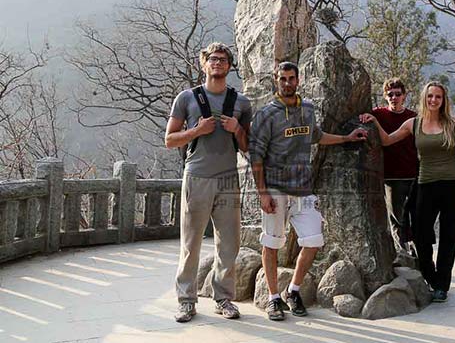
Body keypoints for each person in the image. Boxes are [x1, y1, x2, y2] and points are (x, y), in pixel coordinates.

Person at [250, 61, 367, 321]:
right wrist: (262, 193)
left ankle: (293, 291)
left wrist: (347, 138)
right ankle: (273, 298)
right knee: (271, 243)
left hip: (303, 189)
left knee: (314, 240)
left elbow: (316, 135)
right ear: (276, 80)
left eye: (292, 78)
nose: (288, 83)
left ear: (298, 80)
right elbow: (255, 157)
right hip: (275, 188)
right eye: (283, 79)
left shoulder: (308, 108)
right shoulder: (266, 114)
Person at [360, 81, 455, 303]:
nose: (433, 100)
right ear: (424, 98)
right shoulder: (413, 124)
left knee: (449, 237)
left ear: (443, 100)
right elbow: (387, 140)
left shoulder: (454, 125)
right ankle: (430, 276)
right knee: (420, 234)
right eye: (430, 96)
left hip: (452, 184)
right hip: (425, 184)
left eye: (438, 97)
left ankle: (441, 286)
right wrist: (373, 121)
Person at [165, 42, 252, 322]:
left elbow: (249, 146)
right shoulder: (187, 98)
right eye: (212, 59)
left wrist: (237, 128)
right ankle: (186, 300)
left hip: (228, 177)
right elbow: (169, 139)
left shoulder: (241, 102)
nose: (217, 63)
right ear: (204, 64)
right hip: (197, 176)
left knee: (229, 243)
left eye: (223, 59)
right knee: (191, 243)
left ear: (229, 66)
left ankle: (224, 298)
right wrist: (196, 130)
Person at [371, 78, 418, 257]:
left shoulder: (413, 117)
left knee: (414, 215)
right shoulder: (379, 115)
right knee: (397, 217)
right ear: (385, 96)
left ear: (404, 96)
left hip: (413, 174)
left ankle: (415, 250)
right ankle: (403, 252)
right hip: (391, 176)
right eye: (390, 94)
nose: (394, 97)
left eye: (398, 94)